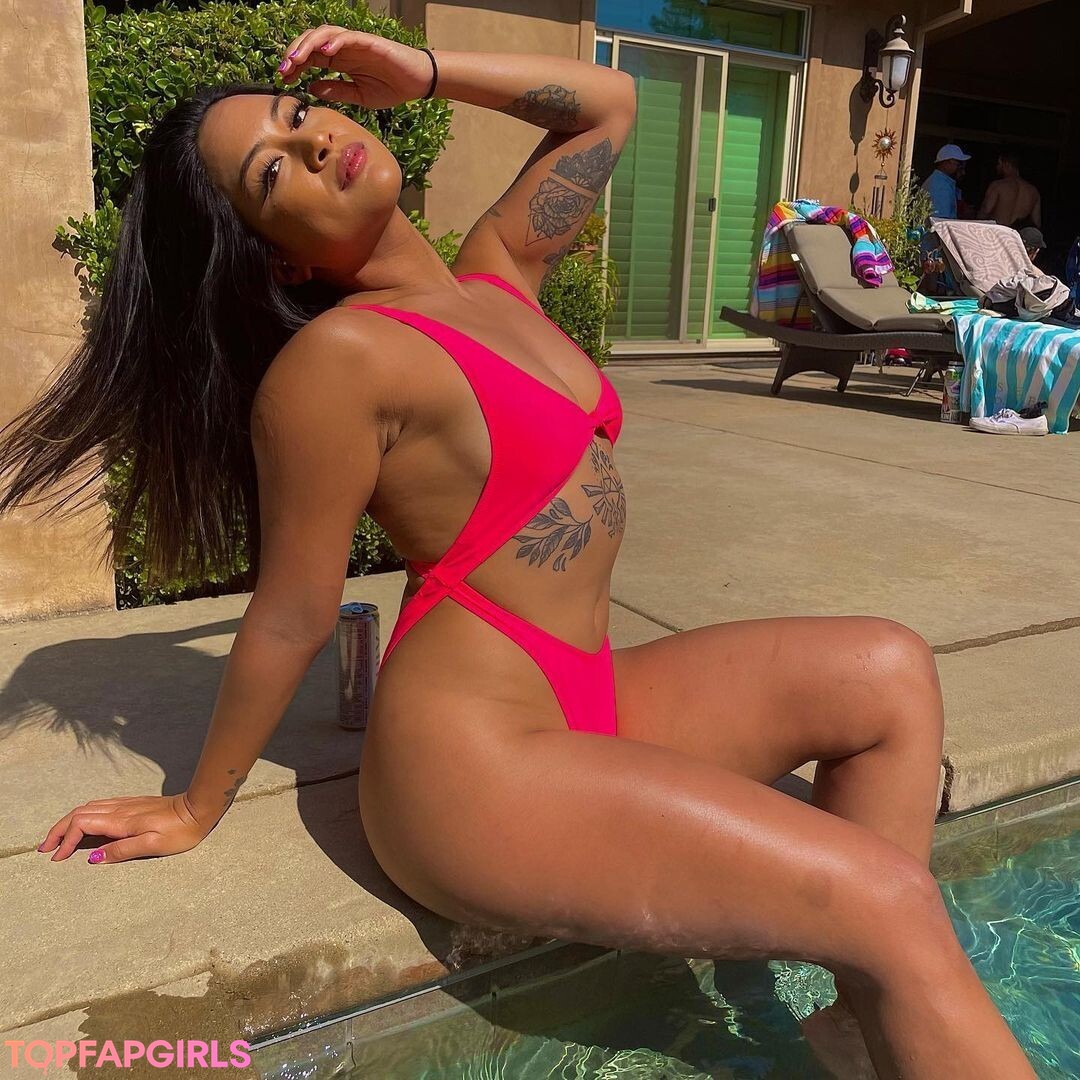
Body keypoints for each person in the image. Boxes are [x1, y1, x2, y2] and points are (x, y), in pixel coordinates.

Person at [0, 26, 1037, 1080]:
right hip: (472, 767)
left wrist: (423, 72)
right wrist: (195, 804)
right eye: (274, 173)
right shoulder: (339, 359)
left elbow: (608, 104)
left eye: (300, 115)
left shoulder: (495, 277)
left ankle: (865, 1021)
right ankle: (892, 974)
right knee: (887, 898)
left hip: (581, 693)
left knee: (888, 672)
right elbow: (291, 613)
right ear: (282, 256)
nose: (312, 144)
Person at [978, 150, 1042, 229]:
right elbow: (1036, 223)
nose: (997, 167)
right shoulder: (1033, 191)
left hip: (997, 232)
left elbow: (986, 210)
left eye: (999, 163)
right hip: (1016, 235)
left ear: (1006, 164)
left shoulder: (997, 186)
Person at [921, 142, 971, 220]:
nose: (962, 171)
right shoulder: (940, 186)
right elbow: (940, 220)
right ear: (946, 162)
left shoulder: (940, 182)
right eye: (958, 165)